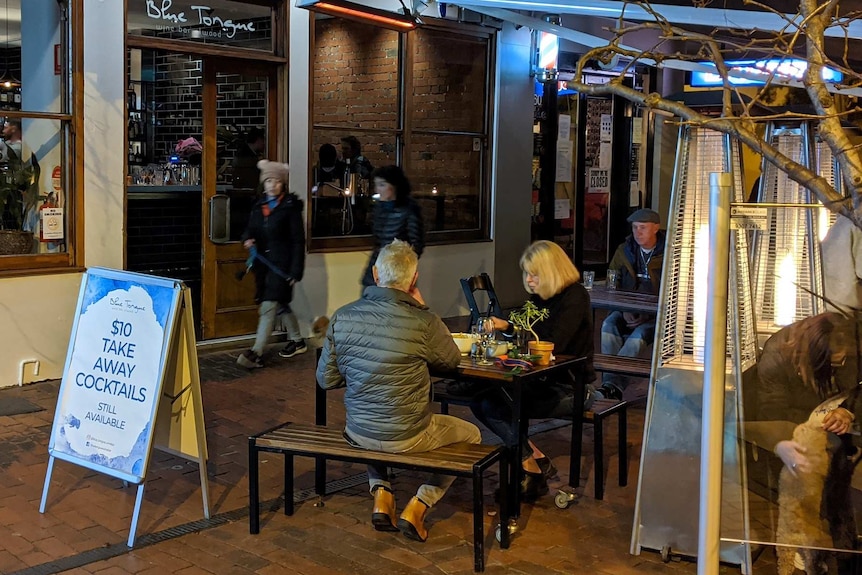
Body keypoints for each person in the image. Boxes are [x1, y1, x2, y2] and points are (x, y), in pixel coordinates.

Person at [316, 239, 481, 542]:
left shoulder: (343, 315)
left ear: (376, 275)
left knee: (373, 415)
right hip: (408, 435)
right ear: (413, 279)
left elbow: (326, 380)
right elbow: (450, 361)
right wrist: (422, 307)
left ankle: (381, 493)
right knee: (472, 436)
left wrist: (360, 371)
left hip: (358, 431)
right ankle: (419, 505)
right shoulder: (423, 321)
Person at [475, 240, 596, 500]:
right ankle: (533, 461)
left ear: (552, 271)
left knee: (495, 406)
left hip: (571, 387)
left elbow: (553, 343)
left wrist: (513, 331)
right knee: (482, 398)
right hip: (542, 381)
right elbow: (528, 336)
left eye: (534, 274)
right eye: (526, 273)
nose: (529, 280)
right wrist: (508, 328)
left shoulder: (574, 297)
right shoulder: (540, 298)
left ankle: (531, 471)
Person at [756, 312, 861, 572]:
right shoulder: (777, 355)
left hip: (833, 417)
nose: (843, 361)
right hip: (795, 424)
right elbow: (772, 412)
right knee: (808, 477)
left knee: (838, 462)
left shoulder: (847, 340)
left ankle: (840, 540)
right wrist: (783, 444)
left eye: (845, 358)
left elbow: (858, 386)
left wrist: (848, 410)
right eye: (834, 362)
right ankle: (809, 545)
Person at [236, 160, 307, 369]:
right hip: (263, 266)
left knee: (268, 306)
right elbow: (250, 229)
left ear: (282, 184)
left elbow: (297, 241)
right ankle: (298, 340)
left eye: (276, 181)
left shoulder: (290, 208)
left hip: (282, 266)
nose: (272, 185)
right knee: (280, 305)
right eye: (268, 180)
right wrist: (247, 238)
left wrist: (295, 271)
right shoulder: (259, 206)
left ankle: (256, 352)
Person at [598, 208, 665, 400]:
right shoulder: (625, 250)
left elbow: (675, 289)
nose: (637, 233)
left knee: (637, 337)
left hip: (656, 314)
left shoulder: (670, 252)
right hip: (627, 308)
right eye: (635, 228)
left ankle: (610, 387)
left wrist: (647, 314)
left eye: (642, 227)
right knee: (608, 325)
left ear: (656, 228)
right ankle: (610, 387)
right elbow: (613, 282)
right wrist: (623, 308)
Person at [360, 165, 425, 288]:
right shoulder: (378, 208)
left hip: (397, 273)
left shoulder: (409, 209)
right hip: (375, 269)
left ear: (394, 186)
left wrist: (402, 265)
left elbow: (416, 245)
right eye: (376, 185)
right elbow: (377, 240)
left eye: (382, 185)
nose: (378, 189)